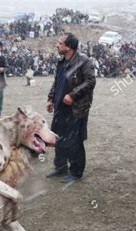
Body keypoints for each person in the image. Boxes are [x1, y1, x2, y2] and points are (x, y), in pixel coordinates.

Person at [46, 33, 96, 183]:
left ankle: (76, 172)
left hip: (76, 108)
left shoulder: (84, 61)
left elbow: (91, 81)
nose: (57, 45)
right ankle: (60, 166)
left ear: (68, 47)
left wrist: (73, 95)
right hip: (60, 107)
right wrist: (50, 98)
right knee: (58, 137)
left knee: (75, 141)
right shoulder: (61, 62)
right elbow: (57, 82)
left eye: (60, 43)